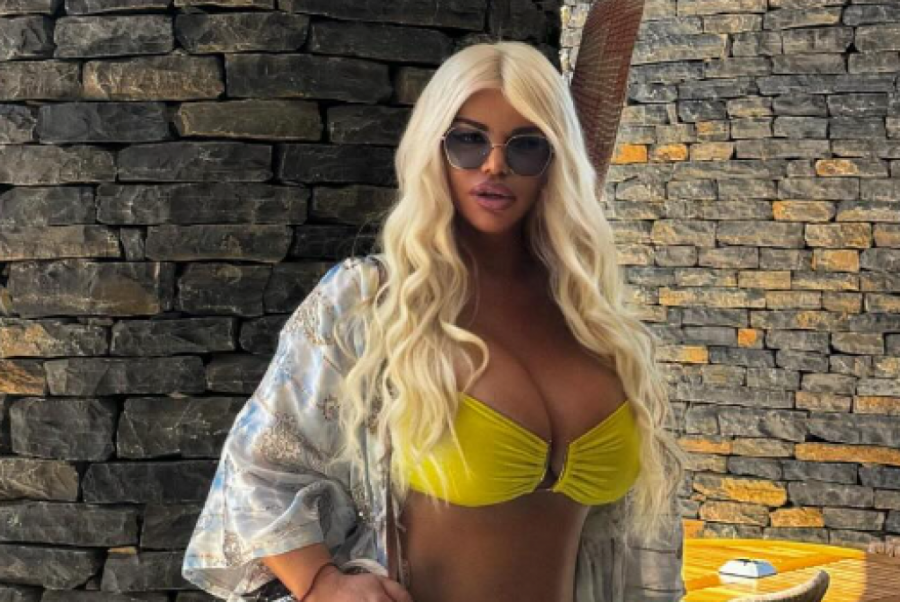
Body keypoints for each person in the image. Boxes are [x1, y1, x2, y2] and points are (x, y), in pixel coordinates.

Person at [182, 41, 686, 602]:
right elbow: (257, 469)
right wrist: (321, 583)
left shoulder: (592, 320)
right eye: (468, 140)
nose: (494, 164)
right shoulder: (373, 300)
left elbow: (643, 545)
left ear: (556, 162)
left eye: (526, 146)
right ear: (433, 148)